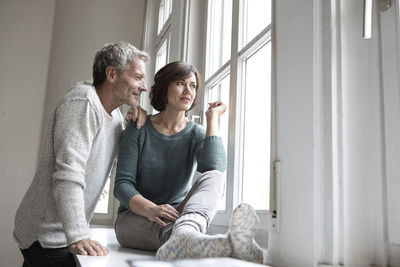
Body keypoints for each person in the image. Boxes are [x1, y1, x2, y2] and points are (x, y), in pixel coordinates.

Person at [114, 61, 266, 264]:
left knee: (214, 176)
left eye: (193, 86)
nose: (188, 90)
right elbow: (122, 185)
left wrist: (212, 119)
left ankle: (187, 232)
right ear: (164, 88)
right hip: (135, 217)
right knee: (169, 232)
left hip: (178, 216)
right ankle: (217, 243)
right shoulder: (139, 128)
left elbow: (215, 167)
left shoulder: (195, 133)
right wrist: (151, 209)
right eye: (180, 83)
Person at [14, 41, 149, 267]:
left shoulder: (114, 116)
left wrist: (134, 120)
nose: (144, 86)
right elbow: (68, 174)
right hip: (47, 235)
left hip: (61, 234)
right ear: (112, 74)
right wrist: (78, 235)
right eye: (137, 77)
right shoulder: (83, 102)